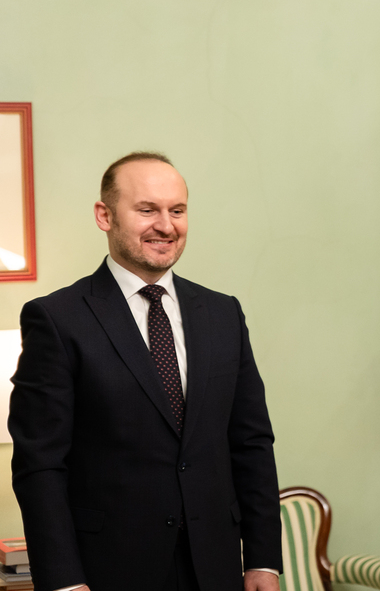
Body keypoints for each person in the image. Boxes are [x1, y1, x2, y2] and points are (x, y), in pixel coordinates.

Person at [9, 153, 281, 591]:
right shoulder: (57, 319)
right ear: (105, 216)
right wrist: (63, 581)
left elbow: (251, 444)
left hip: (215, 566)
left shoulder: (222, 313)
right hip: (109, 570)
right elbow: (40, 464)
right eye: (147, 210)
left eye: (177, 210)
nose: (166, 226)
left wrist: (264, 560)